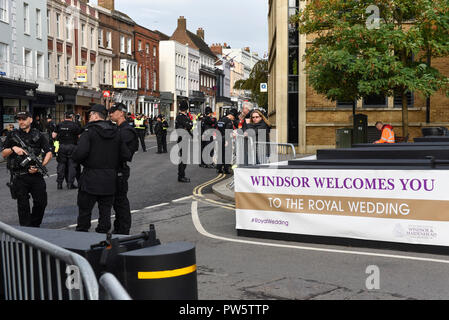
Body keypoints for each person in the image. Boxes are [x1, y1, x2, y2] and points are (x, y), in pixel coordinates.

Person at [72, 104, 131, 233]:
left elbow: (79, 154)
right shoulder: (116, 132)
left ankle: (82, 243)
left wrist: (86, 161)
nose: (89, 117)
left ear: (95, 115)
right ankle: (103, 243)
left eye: (90, 115)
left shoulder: (88, 132)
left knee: (84, 214)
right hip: (110, 179)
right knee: (105, 214)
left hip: (90, 179)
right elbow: (126, 155)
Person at [1, 111, 53, 227]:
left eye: (23, 119)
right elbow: (4, 153)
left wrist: (41, 167)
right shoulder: (12, 135)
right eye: (19, 119)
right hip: (19, 176)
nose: (21, 121)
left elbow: (49, 152)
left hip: (35, 175)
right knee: (23, 206)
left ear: (30, 119)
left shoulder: (38, 135)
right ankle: (26, 230)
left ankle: (34, 226)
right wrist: (13, 148)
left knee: (41, 202)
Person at [108, 103, 139, 235]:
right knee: (116, 202)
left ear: (121, 113)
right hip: (114, 169)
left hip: (120, 169)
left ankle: (123, 229)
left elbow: (120, 150)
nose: (110, 114)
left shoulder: (126, 130)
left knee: (120, 201)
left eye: (113, 111)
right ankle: (119, 227)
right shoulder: (118, 128)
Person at [53, 112, 83, 190]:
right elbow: (80, 136)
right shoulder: (75, 125)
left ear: (65, 117)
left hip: (62, 146)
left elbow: (53, 135)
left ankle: (59, 184)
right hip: (72, 146)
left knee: (61, 164)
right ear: (72, 117)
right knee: (72, 166)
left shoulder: (59, 124)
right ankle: (70, 184)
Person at [216, 109, 238, 174]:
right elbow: (228, 132)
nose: (233, 118)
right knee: (227, 154)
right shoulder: (229, 122)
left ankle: (219, 168)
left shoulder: (221, 119)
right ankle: (226, 169)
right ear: (232, 115)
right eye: (234, 117)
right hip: (226, 139)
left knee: (220, 154)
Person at [176, 100, 193, 183]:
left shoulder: (183, 116)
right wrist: (188, 125)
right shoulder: (181, 117)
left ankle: (181, 175)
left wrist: (188, 125)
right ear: (186, 108)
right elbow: (189, 125)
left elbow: (190, 125)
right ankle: (181, 176)